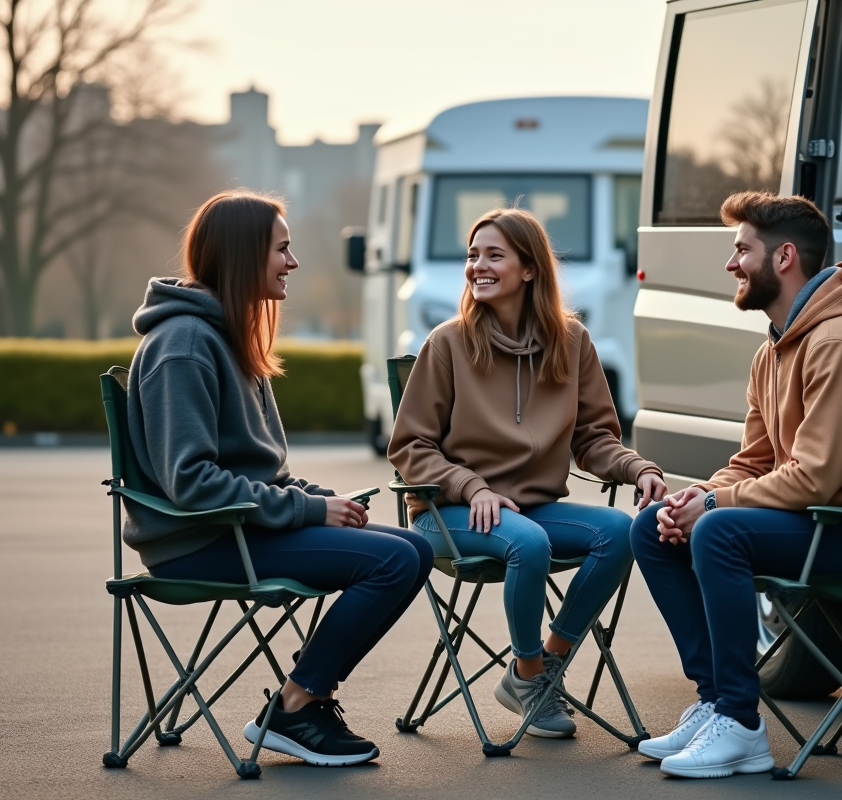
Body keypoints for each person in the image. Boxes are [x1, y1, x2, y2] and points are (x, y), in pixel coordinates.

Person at [630, 191, 842, 778]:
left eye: (741, 250)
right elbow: (755, 460)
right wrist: (693, 497)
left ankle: (742, 725)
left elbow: (816, 475)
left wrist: (714, 506)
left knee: (718, 532)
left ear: (784, 256)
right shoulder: (773, 351)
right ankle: (717, 698)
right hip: (820, 520)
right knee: (653, 526)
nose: (730, 263)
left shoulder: (841, 342)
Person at [125, 190, 434, 767]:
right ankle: (295, 709)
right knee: (390, 562)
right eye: (282, 249)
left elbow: (265, 472)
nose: (293, 263)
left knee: (412, 548)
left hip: (240, 531)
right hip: (197, 542)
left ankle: (299, 703)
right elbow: (191, 482)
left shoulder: (230, 335)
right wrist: (311, 513)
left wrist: (319, 499)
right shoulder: (185, 345)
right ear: (244, 255)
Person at [389, 207, 667, 739]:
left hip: (534, 507)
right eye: (473, 256)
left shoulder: (573, 342)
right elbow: (409, 446)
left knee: (621, 532)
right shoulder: (448, 342)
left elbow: (593, 438)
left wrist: (637, 469)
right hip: (447, 517)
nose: (478, 266)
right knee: (530, 543)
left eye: (494, 255)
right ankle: (533, 672)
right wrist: (471, 486)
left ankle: (535, 668)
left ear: (530, 269)